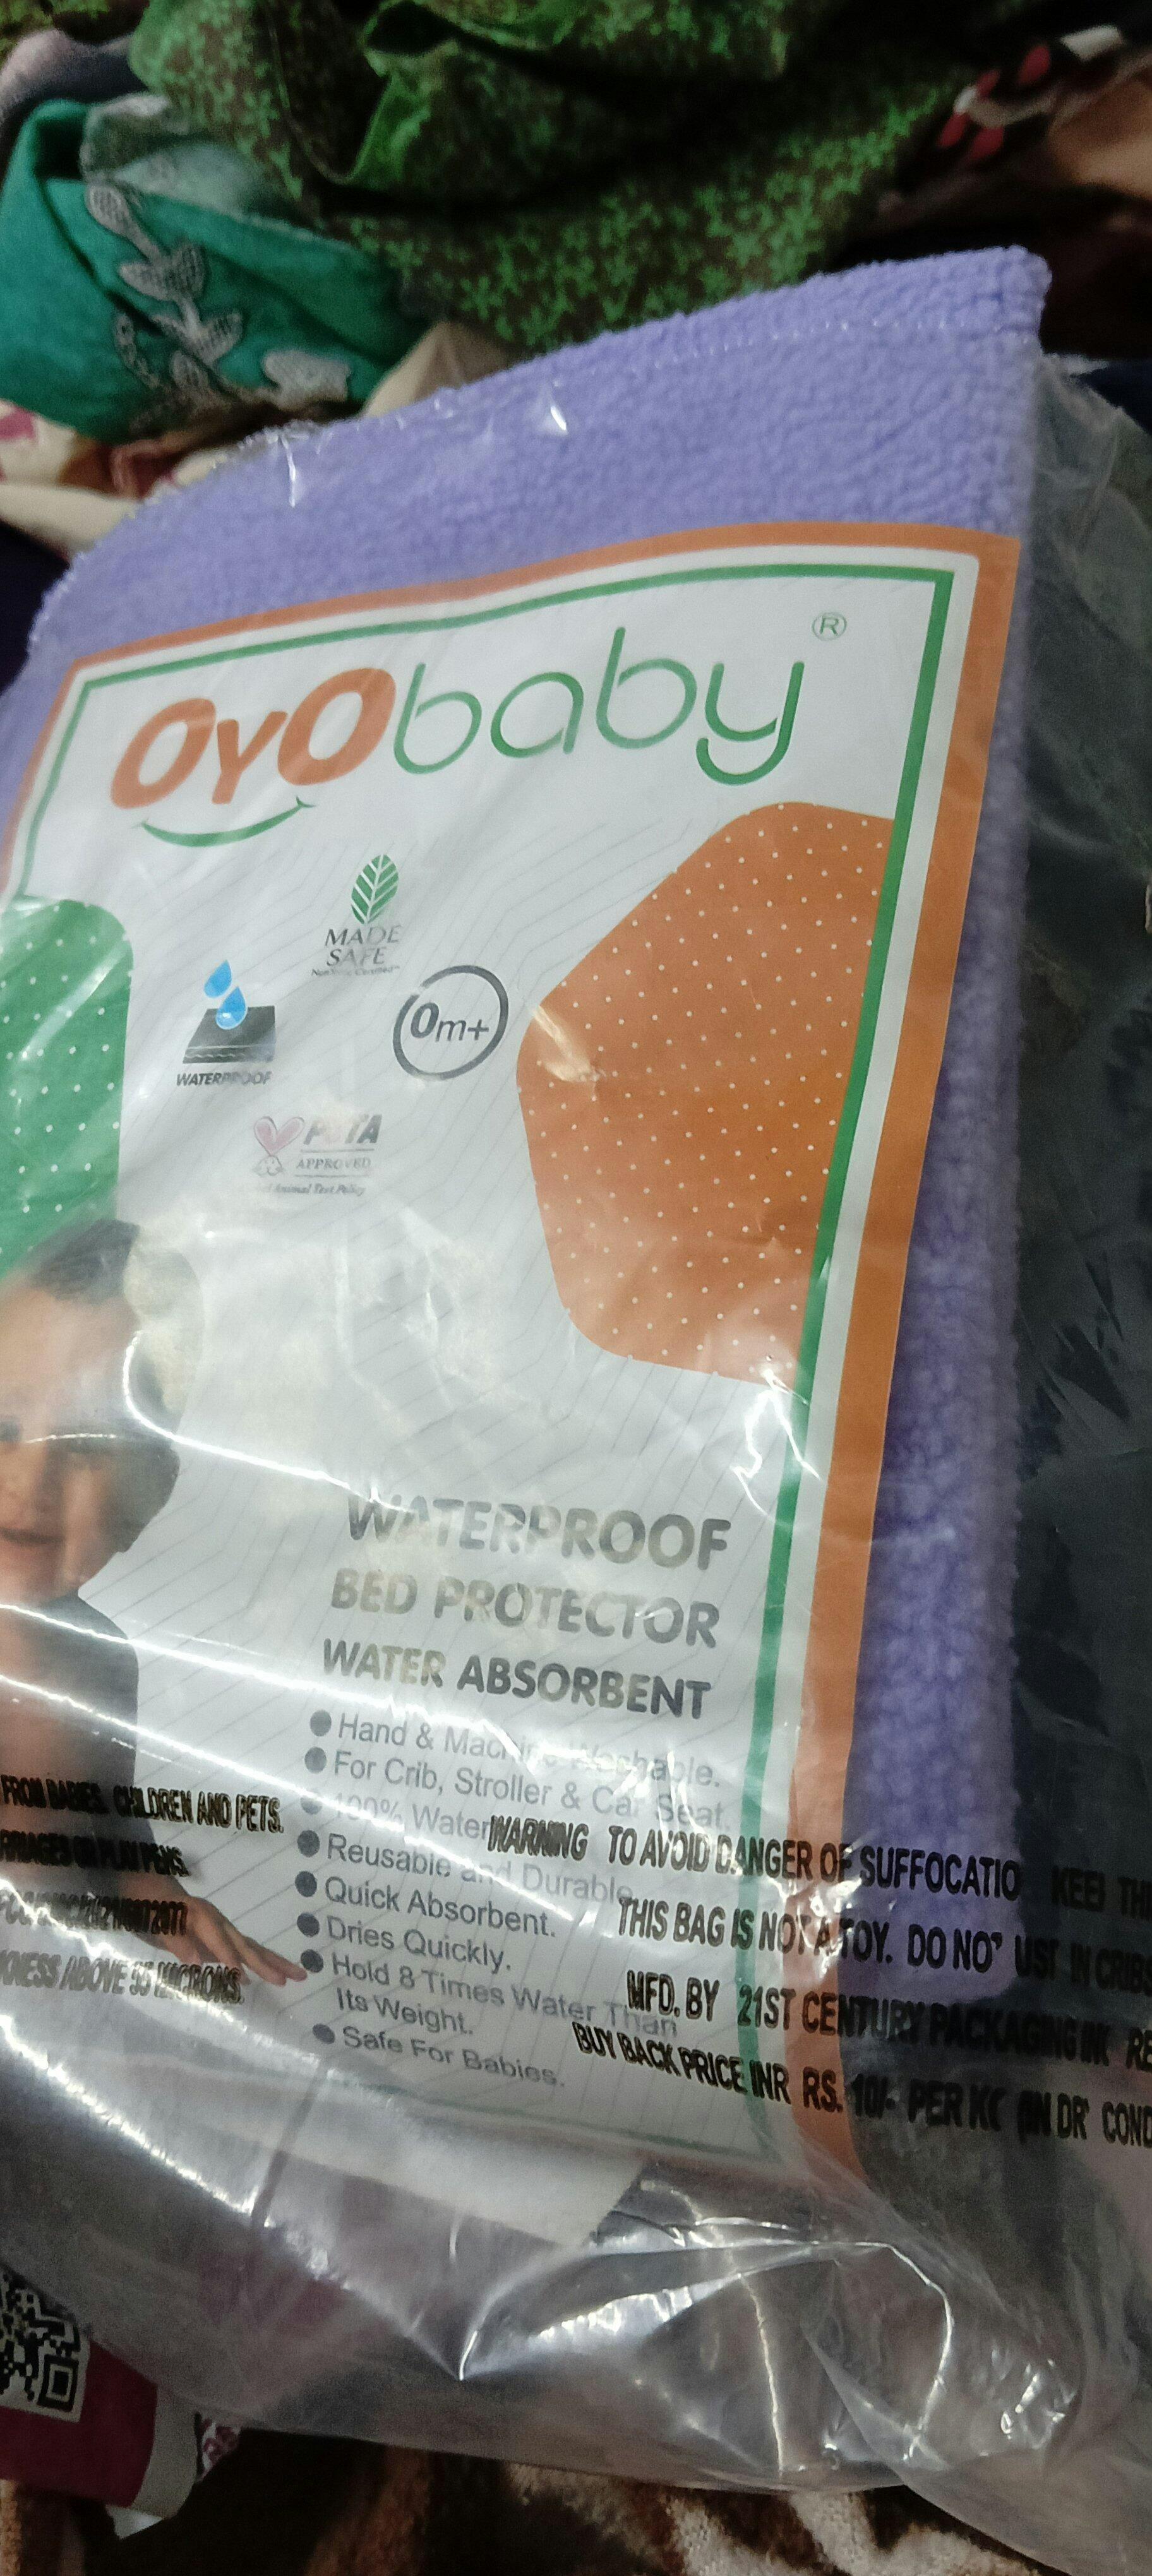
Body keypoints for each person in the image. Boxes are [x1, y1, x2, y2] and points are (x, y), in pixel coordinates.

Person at [0, 1217, 303, 1986]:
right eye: (2, 1427)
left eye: (87, 1445)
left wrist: (162, 1902)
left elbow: (107, 1837)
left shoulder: (101, 1663)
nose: (30, 1482)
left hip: (49, 1997)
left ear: (148, 1499)